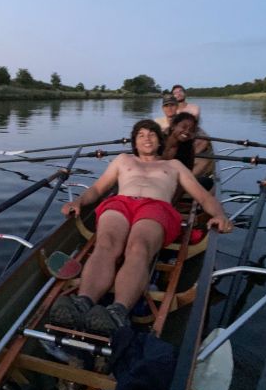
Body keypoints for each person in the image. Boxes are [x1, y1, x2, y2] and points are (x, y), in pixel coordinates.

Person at [49, 119, 232, 336]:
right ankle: (83, 302)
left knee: (138, 247)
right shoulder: (123, 160)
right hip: (120, 203)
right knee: (106, 244)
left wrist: (219, 215)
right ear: (135, 142)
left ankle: (117, 312)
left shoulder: (174, 166)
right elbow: (98, 189)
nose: (147, 138)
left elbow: (202, 197)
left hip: (156, 207)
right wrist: (78, 202)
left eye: (152, 134)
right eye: (141, 135)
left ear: (160, 141)